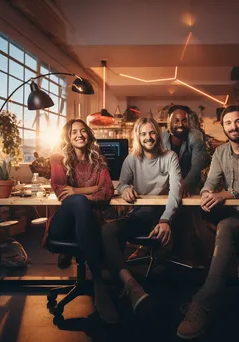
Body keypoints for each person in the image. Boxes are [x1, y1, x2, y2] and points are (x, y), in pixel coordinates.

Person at [176, 105, 239, 339]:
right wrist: (209, 192)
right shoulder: (220, 153)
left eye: (238, 121)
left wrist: (225, 195)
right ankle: (217, 262)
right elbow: (211, 181)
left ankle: (203, 304)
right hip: (231, 215)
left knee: (226, 226)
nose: (233, 127)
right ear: (223, 126)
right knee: (200, 214)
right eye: (228, 123)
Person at [101, 117, 182, 313]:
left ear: (158, 134)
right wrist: (125, 188)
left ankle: (158, 300)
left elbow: (175, 191)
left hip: (164, 215)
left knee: (161, 271)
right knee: (108, 229)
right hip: (140, 215)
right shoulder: (131, 159)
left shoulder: (170, 156)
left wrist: (165, 219)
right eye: (144, 134)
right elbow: (121, 183)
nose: (148, 137)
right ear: (138, 136)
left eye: (152, 132)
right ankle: (128, 283)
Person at [44, 119, 119, 324]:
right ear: (68, 137)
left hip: (87, 226)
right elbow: (61, 190)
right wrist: (91, 190)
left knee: (79, 202)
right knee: (77, 203)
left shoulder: (98, 160)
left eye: (83, 131)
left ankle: (97, 283)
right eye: (74, 132)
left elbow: (107, 190)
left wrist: (78, 190)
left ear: (89, 134)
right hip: (63, 226)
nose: (79, 135)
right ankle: (99, 282)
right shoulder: (58, 158)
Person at [162, 105, 208, 197]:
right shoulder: (161, 138)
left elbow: (196, 167)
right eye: (176, 121)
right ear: (169, 122)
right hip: (167, 187)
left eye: (184, 120)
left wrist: (184, 185)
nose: (180, 124)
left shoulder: (195, 136)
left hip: (191, 185)